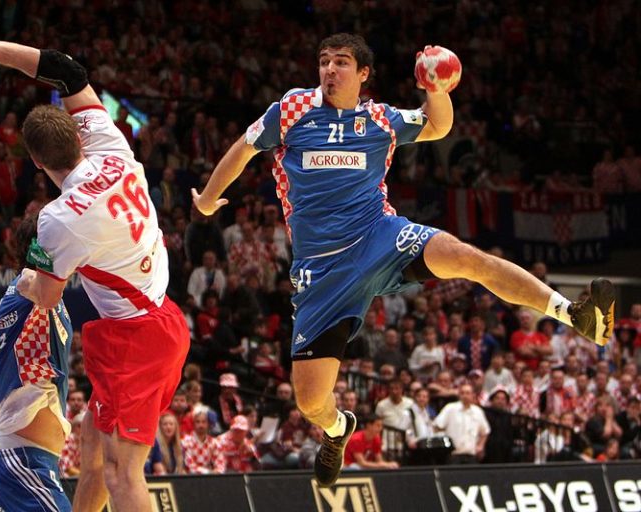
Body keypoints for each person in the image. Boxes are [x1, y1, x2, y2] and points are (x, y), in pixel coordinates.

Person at [192, 32, 614, 486]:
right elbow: (243, 147)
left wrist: (437, 89)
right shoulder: (292, 109)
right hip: (322, 269)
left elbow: (438, 126)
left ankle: (573, 314)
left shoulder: (380, 119)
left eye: (341, 62)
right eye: (324, 61)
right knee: (310, 401)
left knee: (467, 257)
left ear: (363, 74)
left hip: (380, 236)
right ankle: (337, 429)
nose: (330, 69)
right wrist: (208, 200)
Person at [0, 34, 190, 512]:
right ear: (78, 135)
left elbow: (48, 295)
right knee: (92, 451)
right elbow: (67, 70)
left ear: (35, 162)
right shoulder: (112, 148)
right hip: (159, 314)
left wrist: (26, 276)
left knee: (122, 473)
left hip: (137, 337)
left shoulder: (59, 217)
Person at [0, 214, 73, 512]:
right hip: (20, 461)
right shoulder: (29, 282)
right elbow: (40, 285)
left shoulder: (30, 303)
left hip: (25, 460)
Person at [434, 384, 490, 464]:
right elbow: (437, 426)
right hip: (453, 454)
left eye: (468, 393)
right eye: (462, 393)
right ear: (459, 395)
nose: (465, 396)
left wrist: (480, 446)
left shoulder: (478, 411)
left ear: (473, 395)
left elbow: (485, 431)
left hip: (471, 455)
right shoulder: (450, 408)